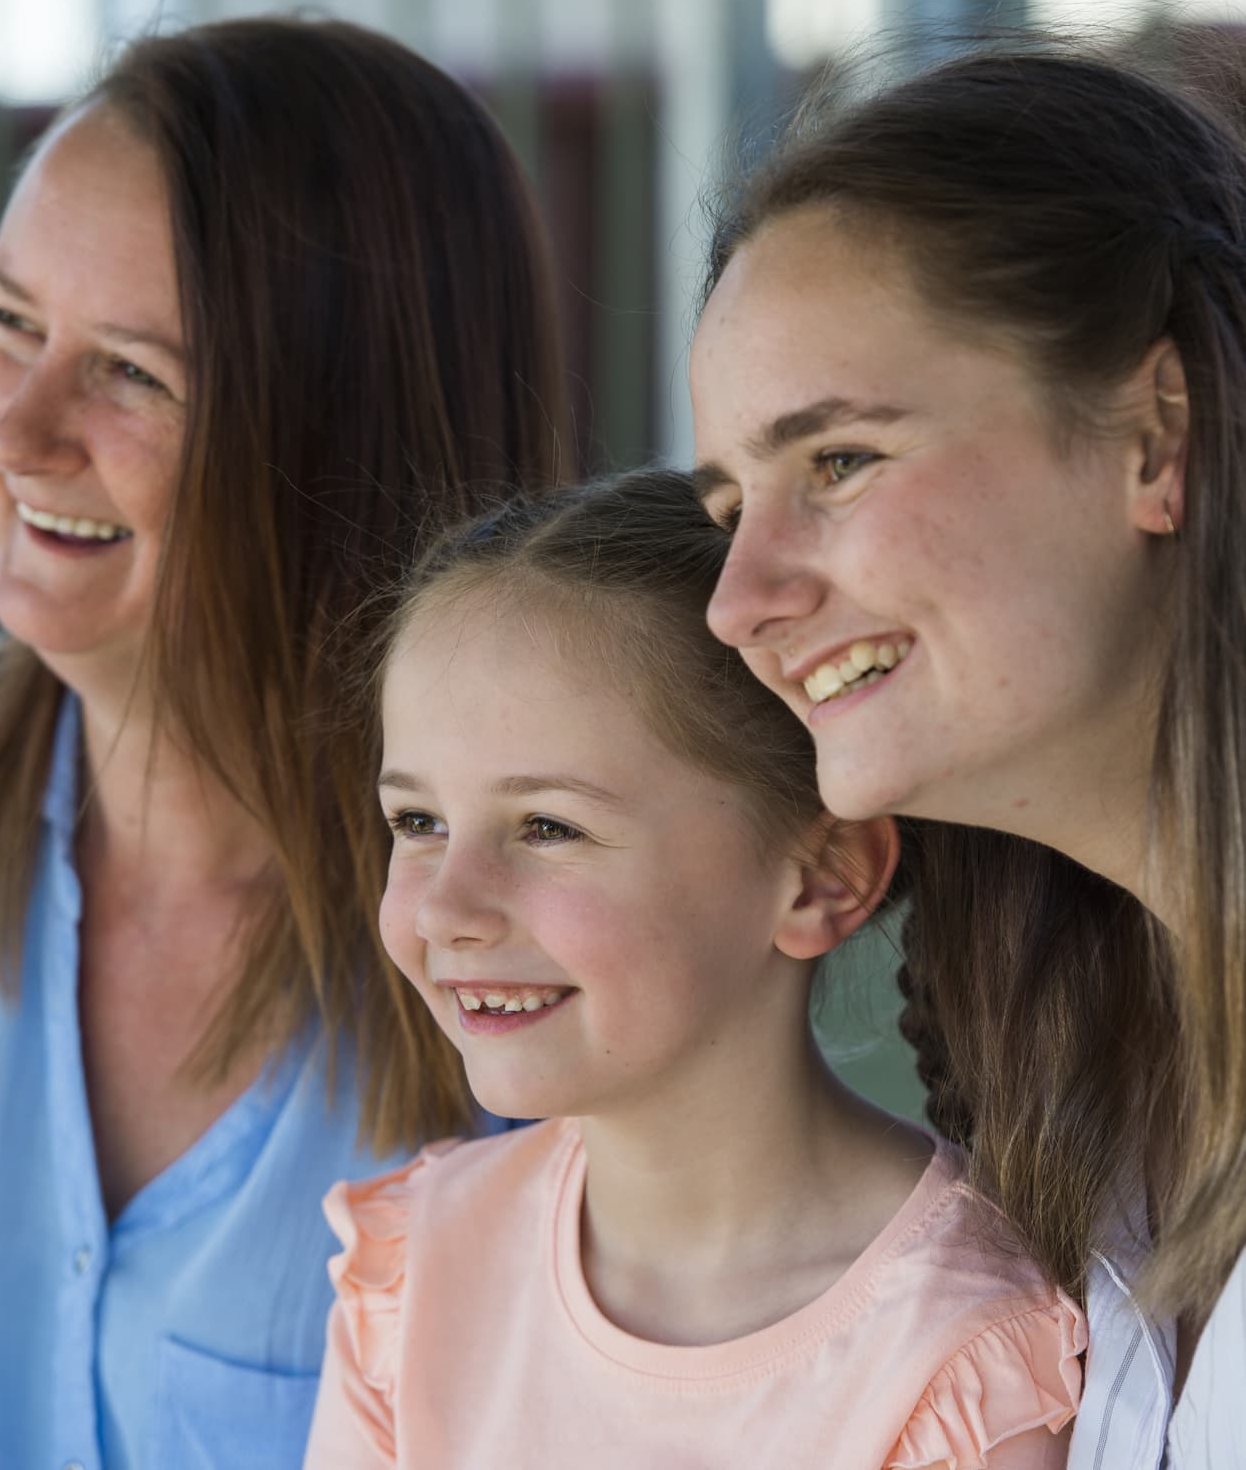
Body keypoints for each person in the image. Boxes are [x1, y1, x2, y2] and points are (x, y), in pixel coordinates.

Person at [0, 16, 572, 1470]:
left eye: (129, 372)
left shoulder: (544, 942)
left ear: (337, 443)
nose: (17, 424)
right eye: (8, 322)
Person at [689, 40, 1246, 1467]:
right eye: (728, 504)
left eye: (840, 462)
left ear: (1152, 436)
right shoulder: (1108, 1104)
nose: (740, 600)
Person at [304, 468, 1084, 1469]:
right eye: (417, 822)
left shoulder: (958, 1361)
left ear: (820, 879)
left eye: (548, 825)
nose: (447, 908)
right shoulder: (417, 1274)